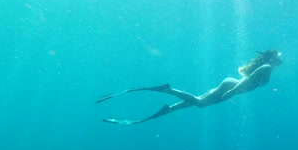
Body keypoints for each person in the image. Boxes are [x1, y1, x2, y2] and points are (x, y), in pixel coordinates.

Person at [97, 49, 283, 124]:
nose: (281, 61)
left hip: (230, 84)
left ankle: (168, 109)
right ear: (272, 59)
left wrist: (232, 90)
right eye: (279, 59)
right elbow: (246, 82)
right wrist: (231, 93)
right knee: (201, 103)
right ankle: (166, 89)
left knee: (197, 100)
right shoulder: (266, 67)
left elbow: (247, 80)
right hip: (232, 87)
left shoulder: (264, 66)